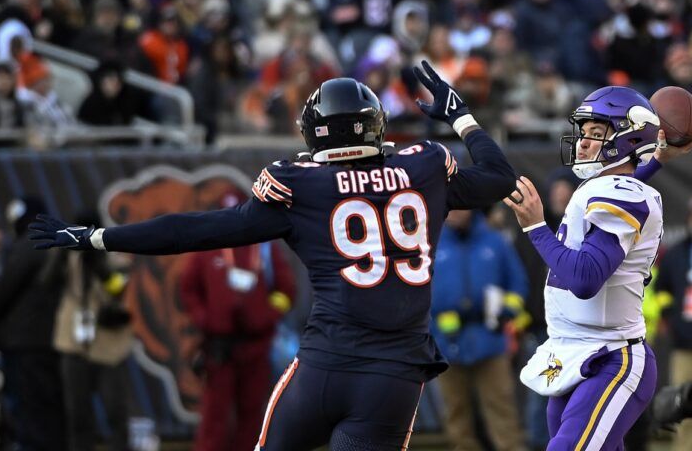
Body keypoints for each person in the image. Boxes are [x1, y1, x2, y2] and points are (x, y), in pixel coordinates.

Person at [29, 61, 517, 450]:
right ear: (373, 125)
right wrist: (461, 115)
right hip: (392, 376)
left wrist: (98, 238)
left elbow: (192, 232)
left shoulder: (300, 185)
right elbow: (499, 176)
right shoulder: (423, 167)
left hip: (324, 368)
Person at [502, 85, 692, 450]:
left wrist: (536, 227)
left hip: (611, 357)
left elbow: (585, 278)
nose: (584, 143)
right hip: (574, 351)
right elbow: (626, 183)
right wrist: (656, 160)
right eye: (584, 133)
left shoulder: (622, 194)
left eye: (596, 134)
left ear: (627, 138)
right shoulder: (613, 188)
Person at [180, 207, 296, 451]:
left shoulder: (263, 248)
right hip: (219, 347)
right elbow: (188, 287)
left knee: (252, 415)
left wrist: (265, 314)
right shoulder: (208, 248)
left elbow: (286, 291)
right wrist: (205, 318)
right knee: (215, 415)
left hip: (256, 346)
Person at [431, 209, 528, 451]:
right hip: (446, 345)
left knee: (502, 409)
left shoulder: (495, 241)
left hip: (490, 341)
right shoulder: (431, 244)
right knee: (456, 414)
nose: (453, 211)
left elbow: (518, 283)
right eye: (449, 205)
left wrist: (507, 311)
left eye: (459, 205)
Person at [54, 210, 132, 451]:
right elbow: (49, 282)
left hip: (108, 346)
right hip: (74, 343)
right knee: (78, 416)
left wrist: (101, 267)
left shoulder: (114, 254)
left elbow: (120, 289)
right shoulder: (67, 256)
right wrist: (67, 253)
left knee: (115, 413)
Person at [0, 197, 67, 451]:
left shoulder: (31, 243)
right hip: (47, 340)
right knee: (46, 409)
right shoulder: (53, 243)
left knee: (31, 411)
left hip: (26, 343)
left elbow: (5, 289)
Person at [654, 197, 692, 451]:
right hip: (684, 346)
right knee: (682, 408)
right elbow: (662, 289)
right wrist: (670, 314)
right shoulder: (677, 253)